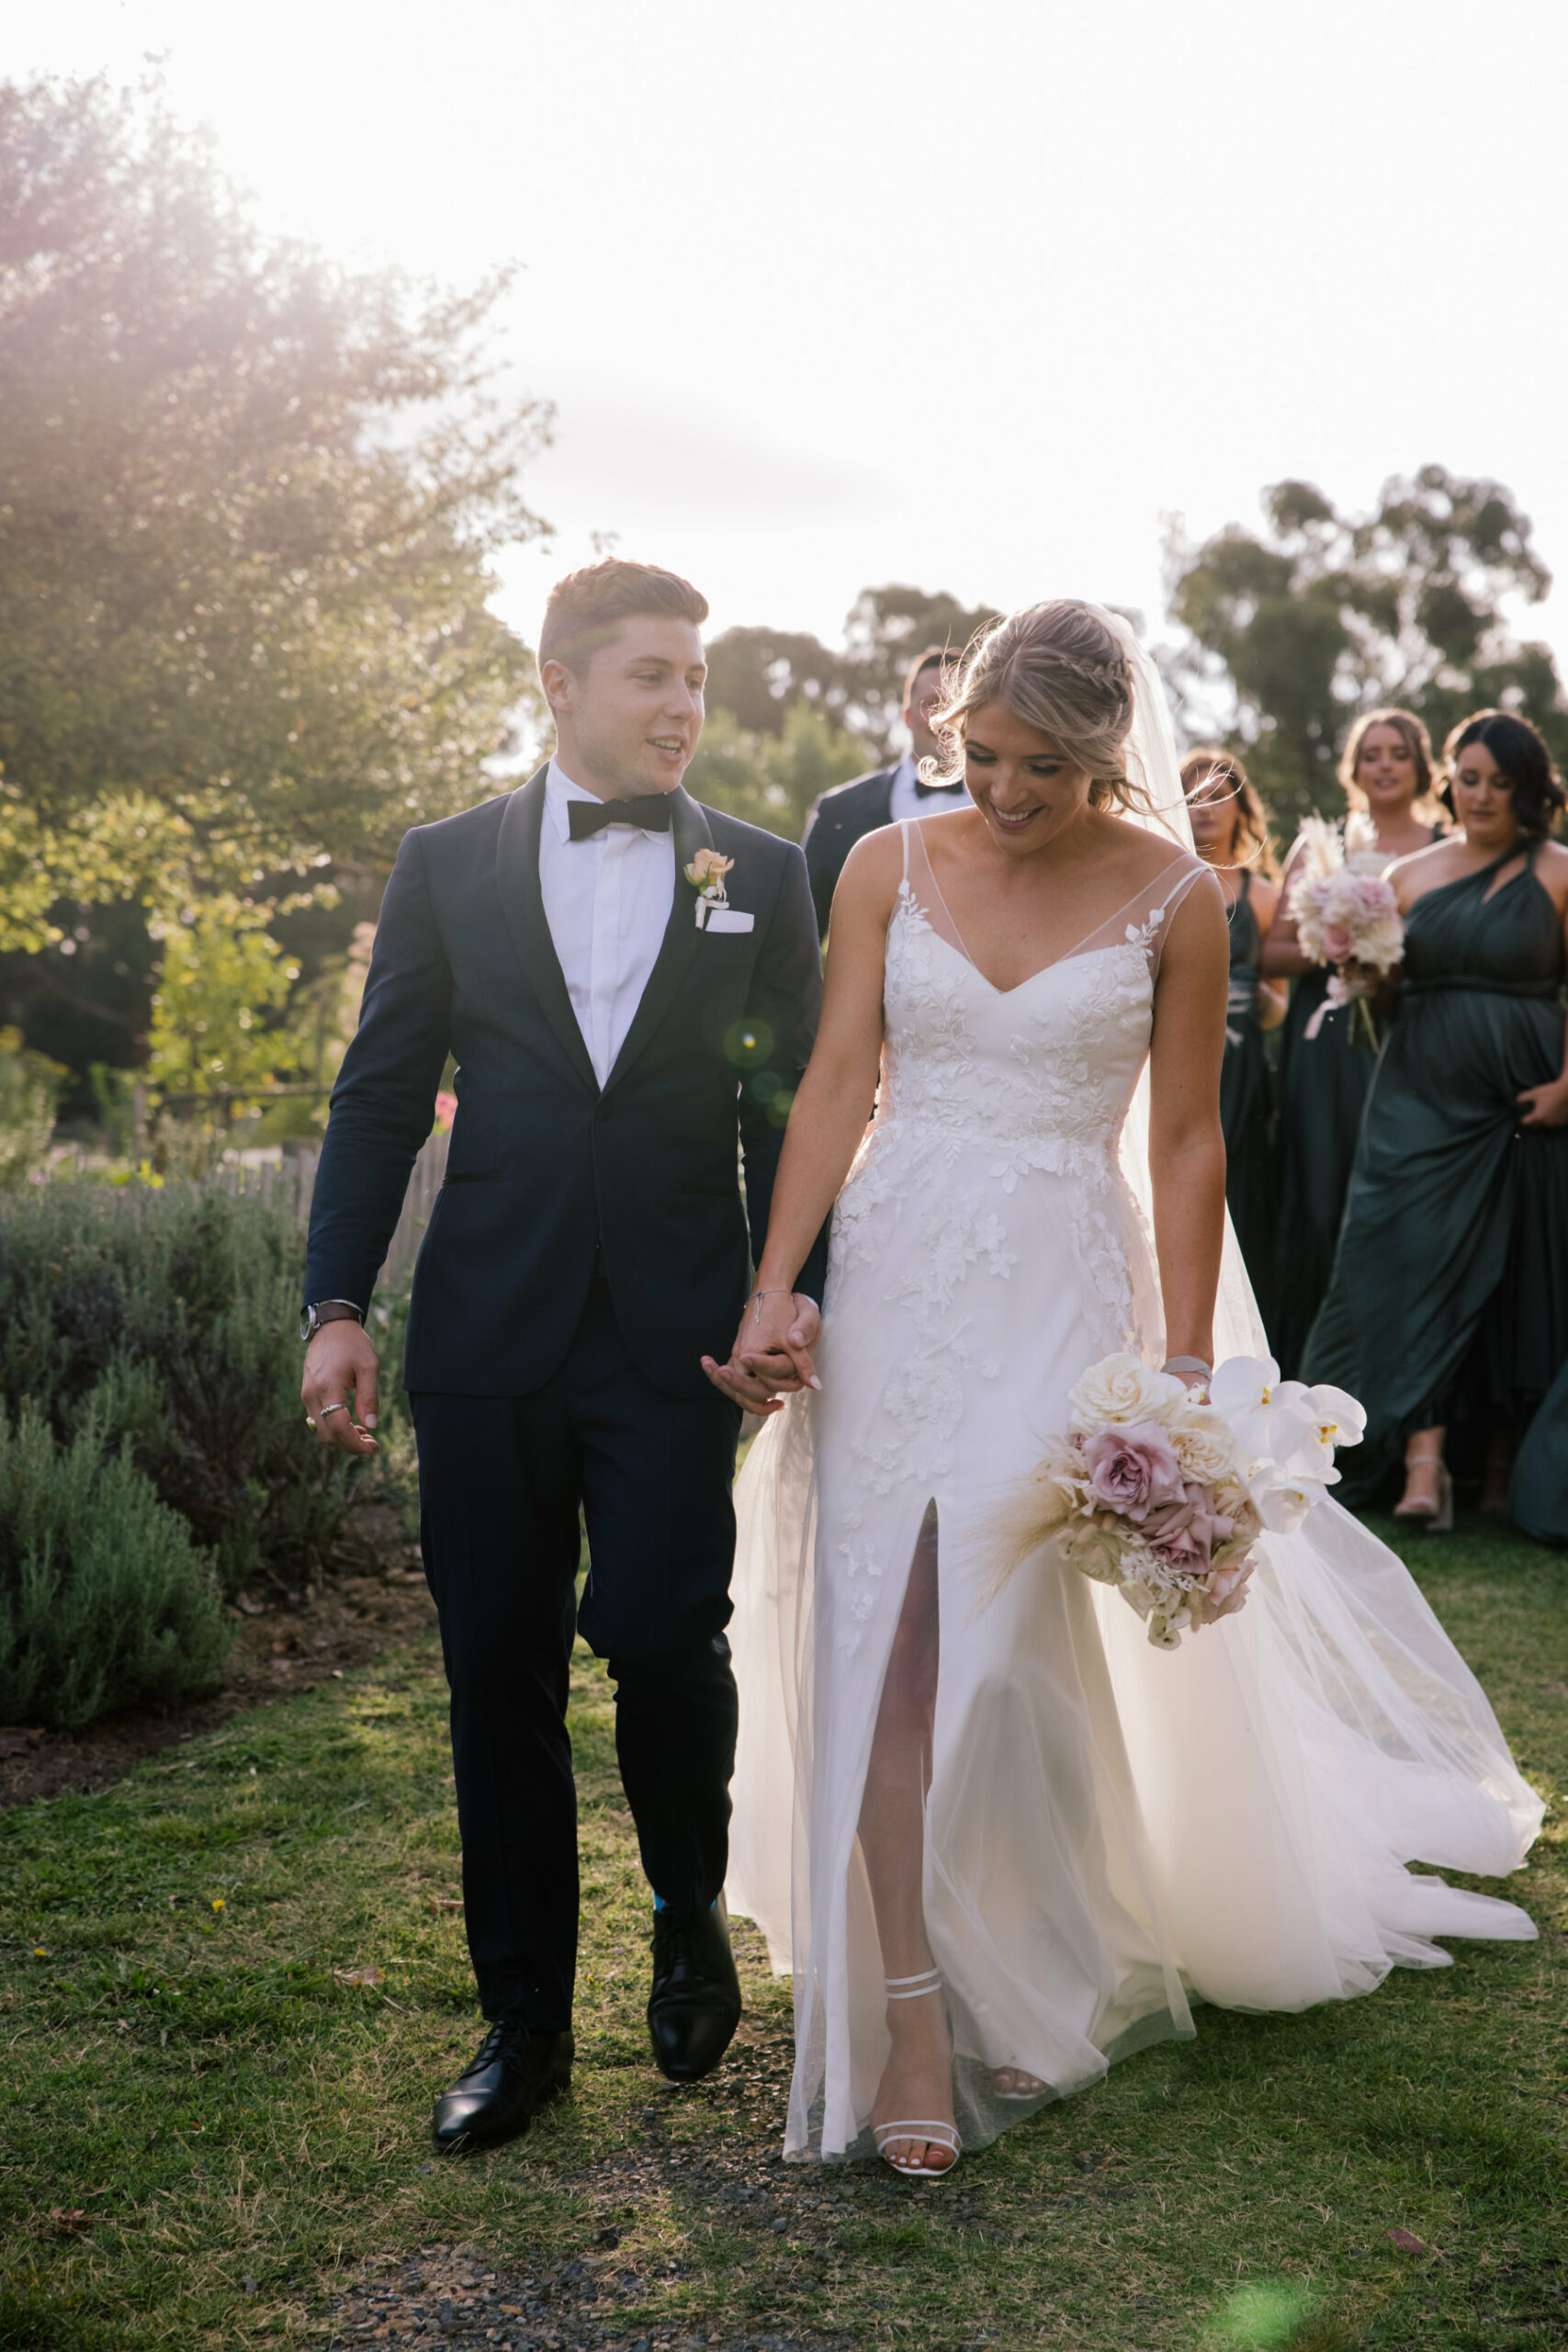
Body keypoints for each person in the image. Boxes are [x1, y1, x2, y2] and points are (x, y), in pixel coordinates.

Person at [708, 603, 1540, 2179]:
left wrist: (1174, 1365)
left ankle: (1030, 1935)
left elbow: (1181, 1139)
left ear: (1105, 757)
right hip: (896, 1278)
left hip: (1060, 1290)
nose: (1002, 792)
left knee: (1006, 1654)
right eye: (979, 759)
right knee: (886, 1638)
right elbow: (834, 1081)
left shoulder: (1177, 896)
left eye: (1037, 766)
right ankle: (904, 2005)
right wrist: (777, 1286)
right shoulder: (887, 866)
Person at [300, 559, 829, 2154]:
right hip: (487, 1331)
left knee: (669, 1636)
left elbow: (794, 1113)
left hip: (681, 1338)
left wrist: (794, 1296)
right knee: (495, 1677)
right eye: (652, 676)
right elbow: (382, 1094)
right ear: (560, 684)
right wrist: (335, 1303)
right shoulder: (444, 863)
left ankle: (683, 1903)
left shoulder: (760, 873)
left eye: (695, 678)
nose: (683, 706)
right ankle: (521, 2025)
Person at [1305, 711, 1568, 1530]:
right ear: (1448, 778)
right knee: (1397, 1254)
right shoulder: (1410, 875)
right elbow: (1386, 999)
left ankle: (1495, 1474)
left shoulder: (1560, 872)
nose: (1481, 794)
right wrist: (1359, 966)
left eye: (1498, 781)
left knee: (1513, 1269)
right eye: (1468, 776)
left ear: (1526, 787)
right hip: (1418, 1094)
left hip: (1523, 1097)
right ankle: (1416, 1466)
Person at [1262, 711, 1445, 1375]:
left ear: (1421, 767)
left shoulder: (1446, 843)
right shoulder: (1320, 847)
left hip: (1414, 1042)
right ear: (1354, 768)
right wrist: (1337, 939)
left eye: (1399, 753)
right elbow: (1270, 952)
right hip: (1329, 1044)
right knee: (1320, 1202)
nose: (1385, 765)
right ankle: (1311, 1369)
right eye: (1371, 754)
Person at [1180, 747, 1283, 1326]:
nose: (1205, 808)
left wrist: (1247, 997)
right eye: (1193, 795)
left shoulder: (1264, 898)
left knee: (1241, 1200)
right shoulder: (1158, 882)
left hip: (1241, 1074)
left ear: (1242, 807)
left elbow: (1279, 1012)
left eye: (1219, 794)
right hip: (1173, 1059)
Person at [802, 648, 966, 933]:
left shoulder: (1012, 808)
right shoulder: (838, 812)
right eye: (932, 703)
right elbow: (800, 937)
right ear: (907, 716)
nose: (945, 717)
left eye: (958, 704)